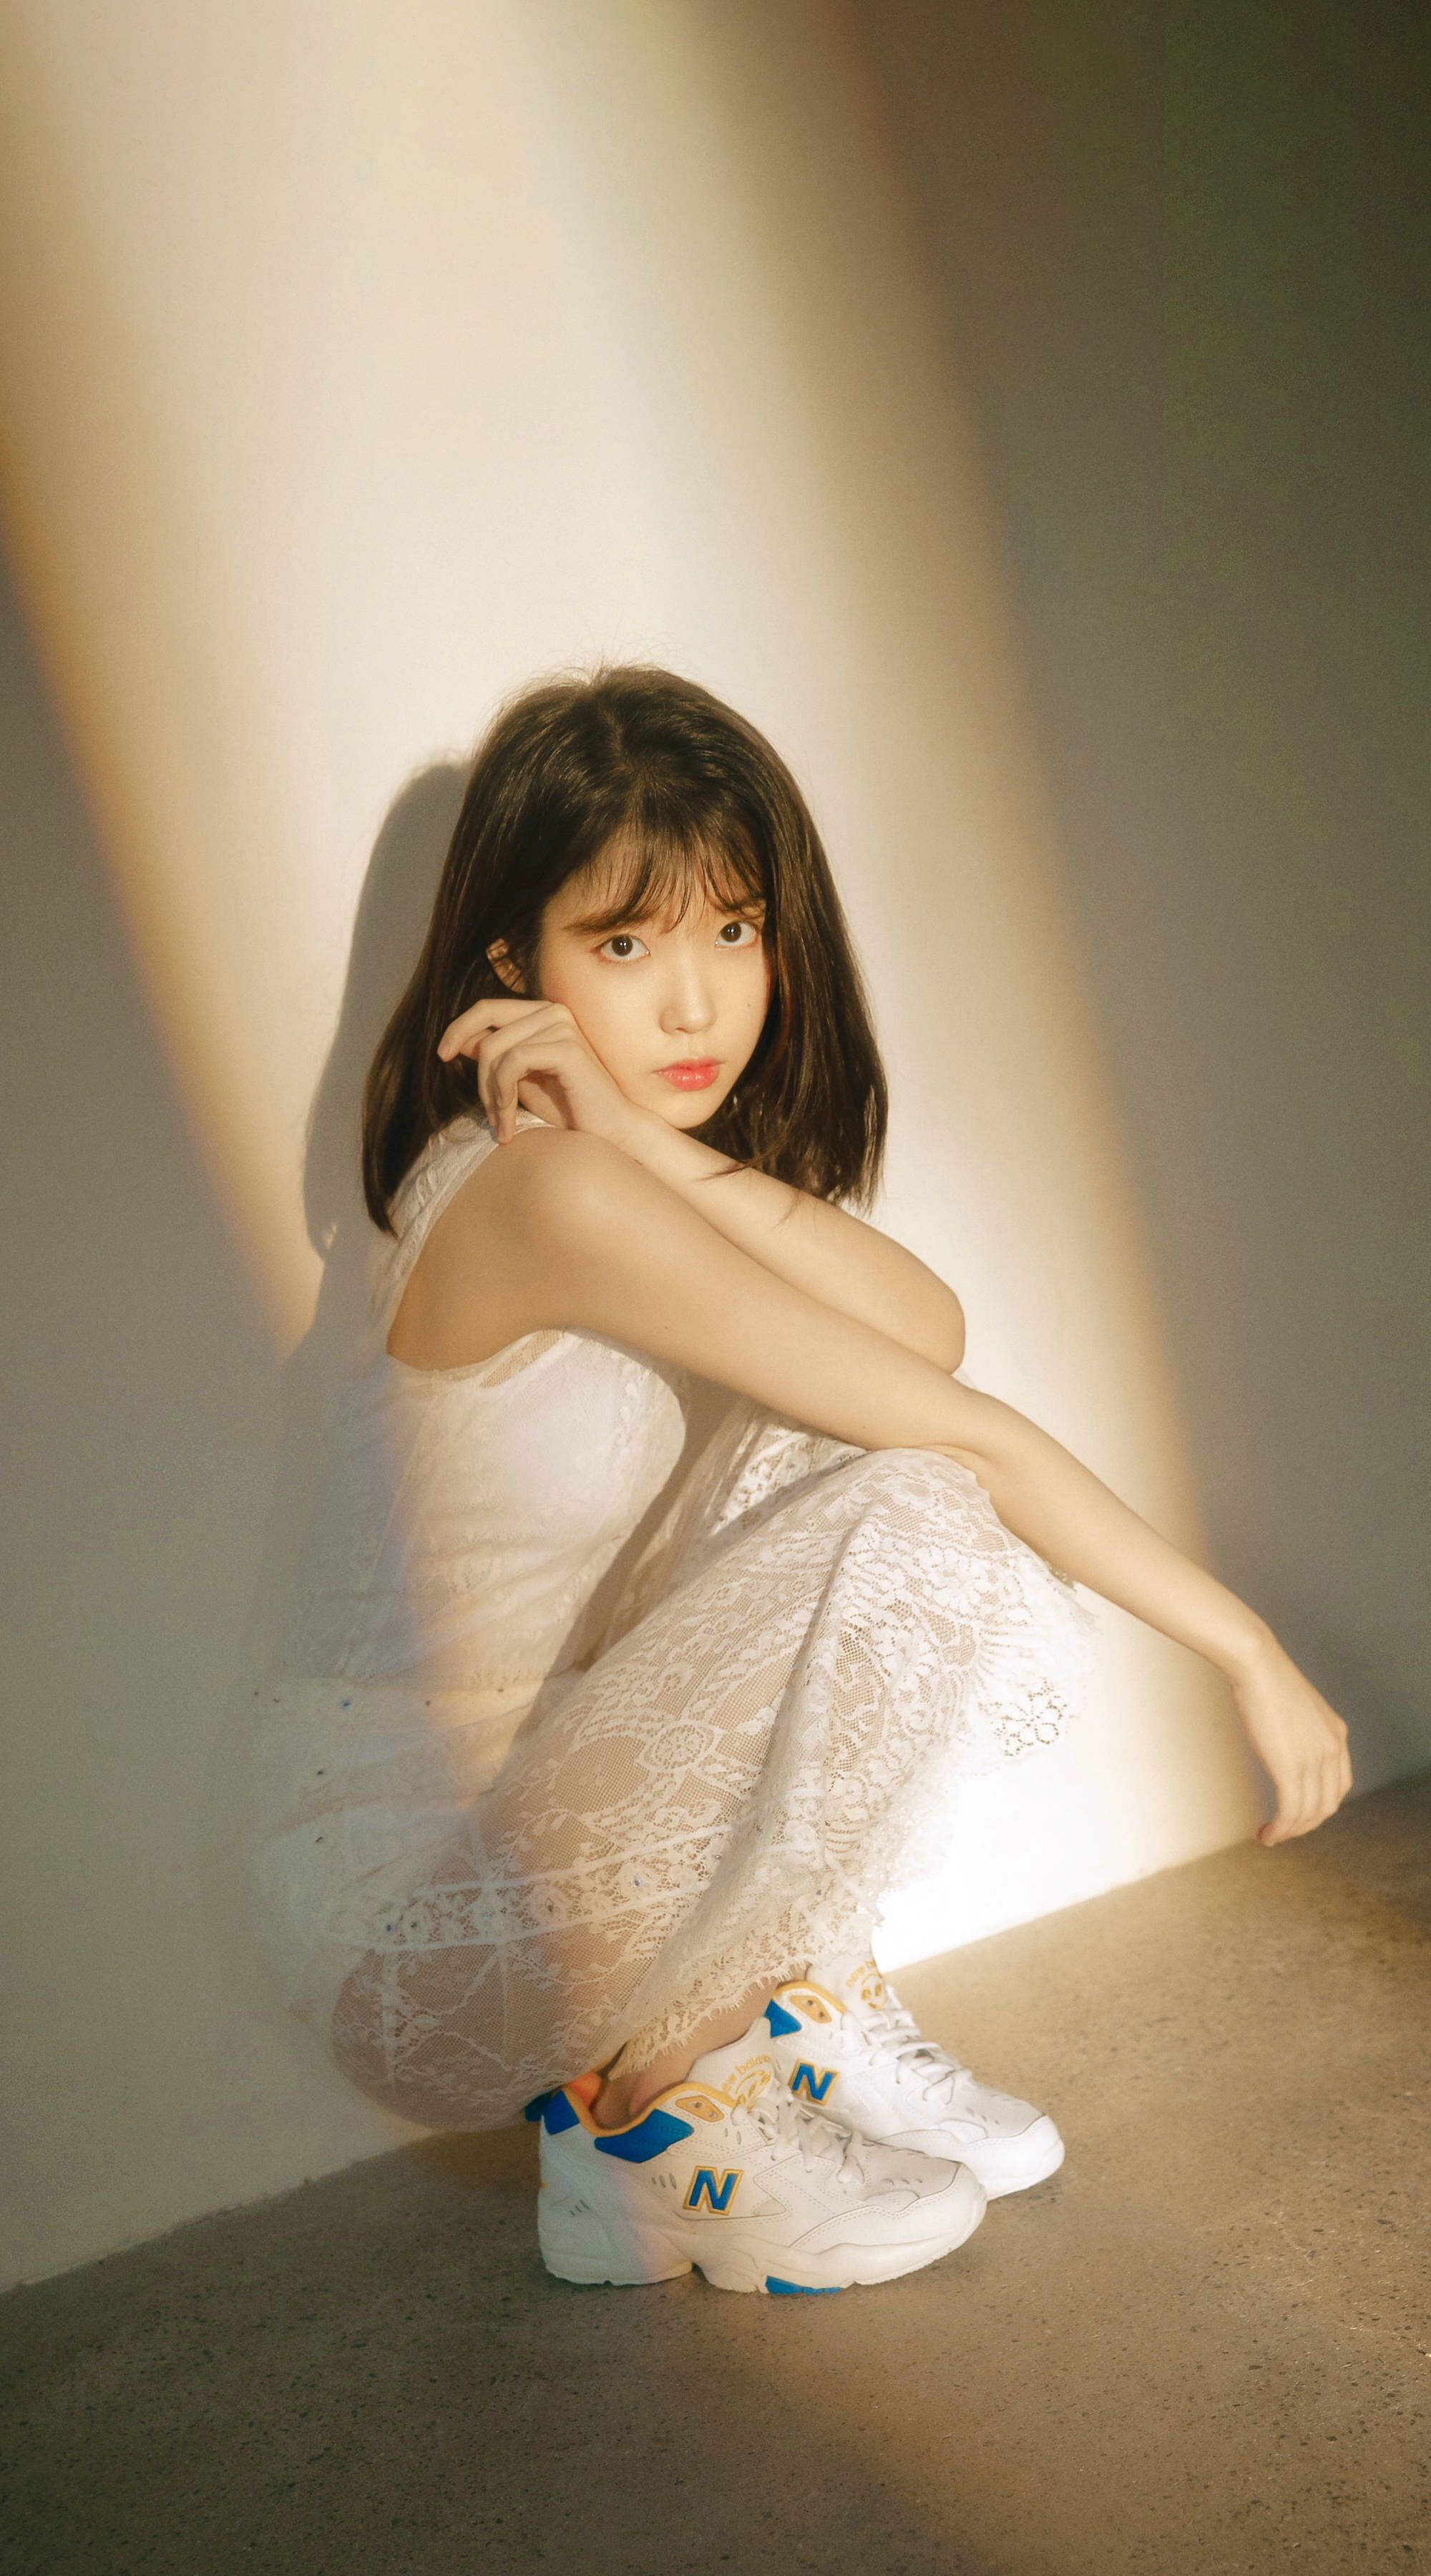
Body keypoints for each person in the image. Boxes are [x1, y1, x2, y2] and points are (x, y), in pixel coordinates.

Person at [245, 664, 1352, 2298]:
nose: (696, 1005)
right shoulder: (540, 1199)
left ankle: (770, 2013)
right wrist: (1247, 1648)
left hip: (536, 1827)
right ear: (512, 964)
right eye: (625, 946)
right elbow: (961, 1432)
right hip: (416, 1921)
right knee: (923, 1497)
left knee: (839, 1423)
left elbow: (920, 1327)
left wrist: (642, 1137)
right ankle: (662, 2111)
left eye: (734, 930)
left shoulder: (597, 1173)